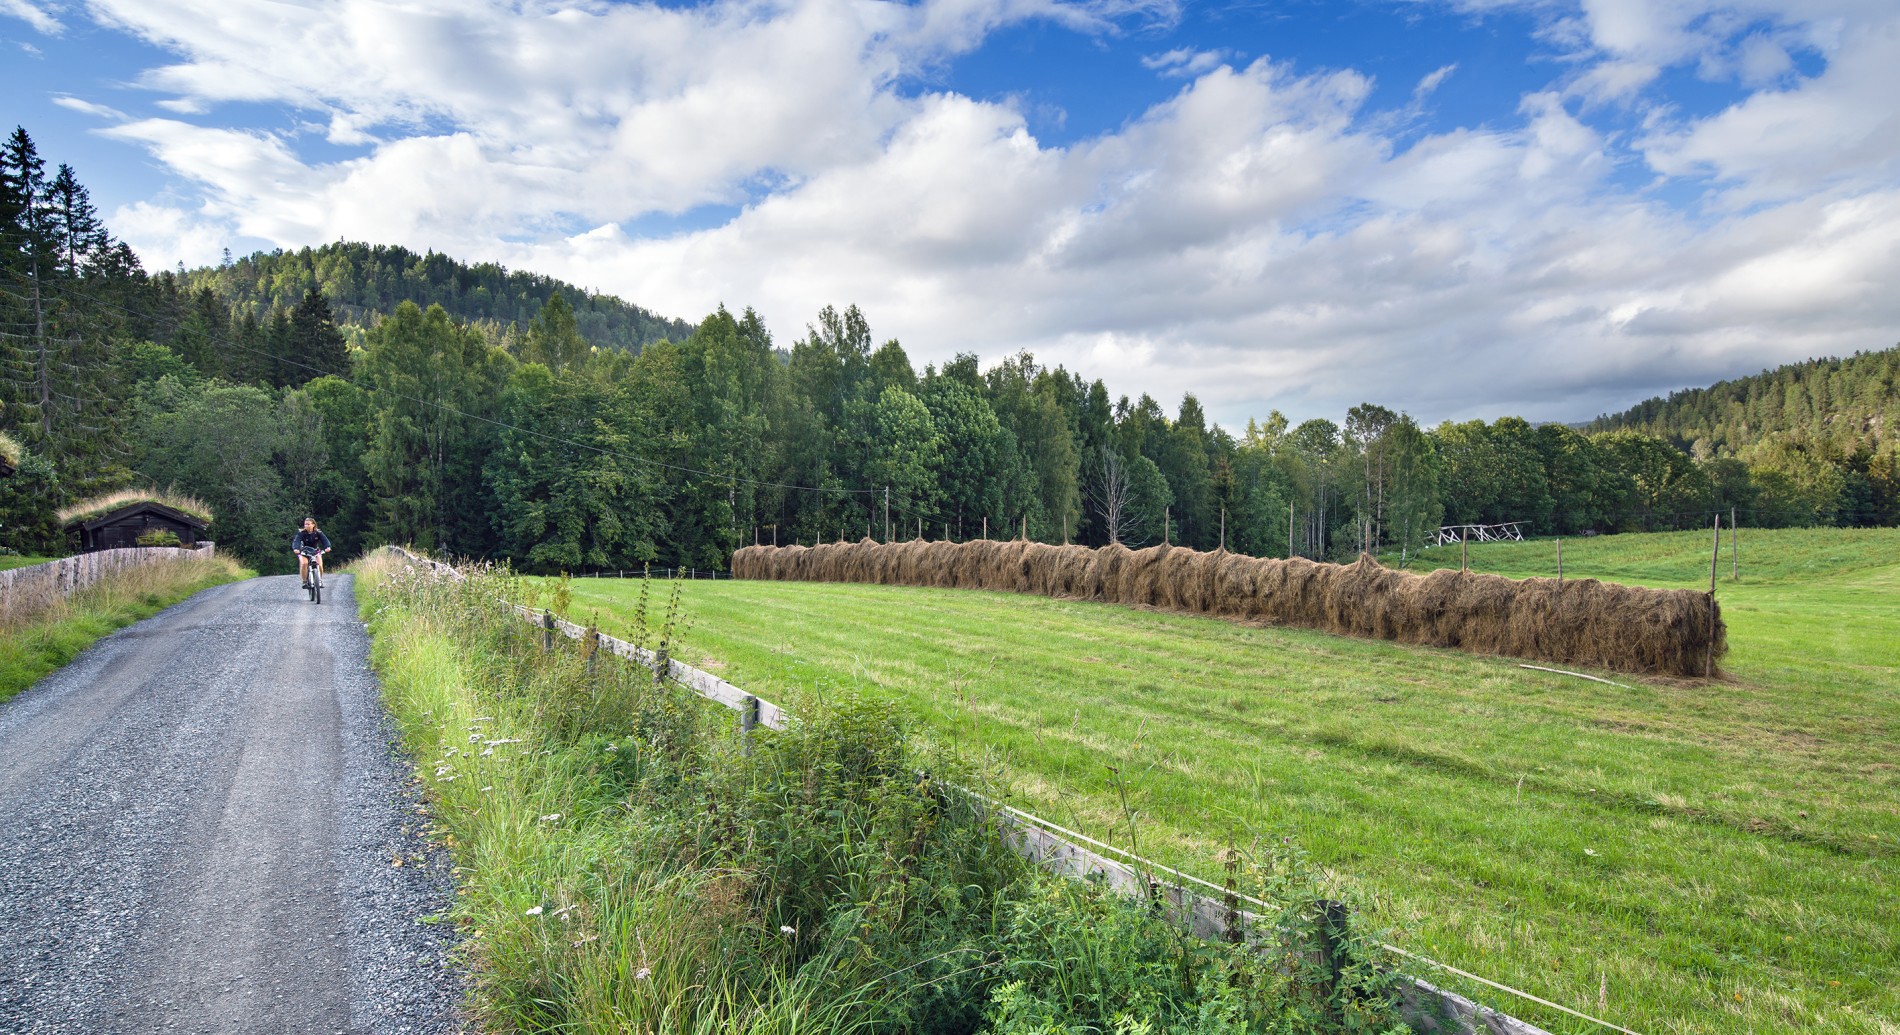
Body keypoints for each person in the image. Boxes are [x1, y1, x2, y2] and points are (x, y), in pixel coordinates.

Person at [291, 517, 331, 589]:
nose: (306, 526)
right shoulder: (301, 533)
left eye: (308, 524)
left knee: (320, 564)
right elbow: (296, 541)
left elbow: (325, 540)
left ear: (313, 525)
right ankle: (304, 582)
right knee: (304, 564)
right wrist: (296, 548)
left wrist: (327, 547)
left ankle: (319, 581)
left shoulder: (318, 533)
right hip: (303, 551)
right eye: (305, 524)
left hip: (315, 551)